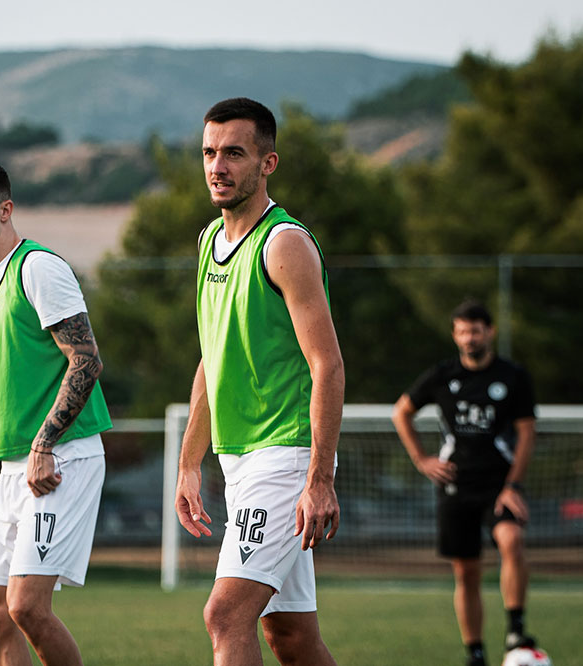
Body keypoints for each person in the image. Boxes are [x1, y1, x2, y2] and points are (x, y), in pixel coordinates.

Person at [174, 97, 344, 666]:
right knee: (290, 637)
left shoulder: (284, 243)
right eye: (209, 153)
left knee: (225, 615)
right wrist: (189, 462)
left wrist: (319, 477)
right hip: (238, 459)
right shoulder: (208, 242)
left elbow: (327, 365)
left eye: (234, 153)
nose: (217, 167)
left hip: (284, 455)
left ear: (267, 163)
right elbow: (211, 359)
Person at [0, 160, 112, 666]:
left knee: (26, 606)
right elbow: (10, 393)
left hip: (62, 459)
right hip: (14, 465)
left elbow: (86, 361)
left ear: (5, 210)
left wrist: (44, 444)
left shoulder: (37, 268)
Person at [391, 299, 537, 666]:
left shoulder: (513, 376)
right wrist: (422, 459)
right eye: (462, 331)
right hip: (456, 486)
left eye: (475, 330)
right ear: (455, 335)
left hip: (499, 485)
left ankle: (515, 628)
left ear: (490, 332)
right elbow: (401, 412)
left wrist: (514, 485)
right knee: (466, 572)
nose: (469, 338)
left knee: (512, 540)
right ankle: (475, 653)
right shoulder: (443, 375)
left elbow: (526, 433)